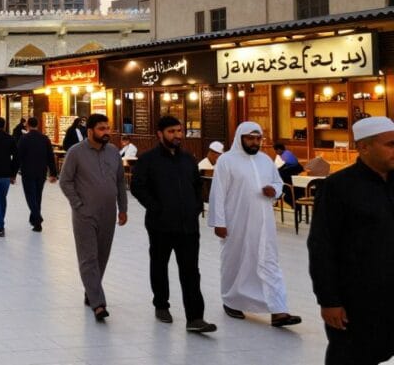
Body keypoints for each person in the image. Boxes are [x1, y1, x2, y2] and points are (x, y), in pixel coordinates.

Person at [308, 116, 394, 365]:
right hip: (357, 300)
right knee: (352, 355)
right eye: (389, 144)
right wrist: (329, 300)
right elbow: (321, 246)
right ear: (364, 147)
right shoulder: (338, 187)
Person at [208, 121, 301, 327]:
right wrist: (218, 222)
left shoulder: (266, 160)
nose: (254, 142)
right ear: (240, 138)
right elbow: (218, 192)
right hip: (236, 222)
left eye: (258, 138)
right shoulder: (226, 161)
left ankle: (278, 310)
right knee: (236, 261)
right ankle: (231, 300)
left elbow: (278, 183)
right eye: (250, 138)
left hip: (264, 223)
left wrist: (274, 191)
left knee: (269, 262)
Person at [130, 116, 217, 333]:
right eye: (172, 131)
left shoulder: (188, 159)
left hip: (188, 226)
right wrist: (156, 207)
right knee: (159, 265)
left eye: (179, 131)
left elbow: (197, 186)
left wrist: (196, 208)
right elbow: (137, 187)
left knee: (190, 270)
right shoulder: (148, 159)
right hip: (160, 225)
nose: (177, 135)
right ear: (160, 134)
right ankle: (161, 304)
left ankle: (195, 317)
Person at [59, 113, 128, 321]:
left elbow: (119, 183)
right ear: (90, 131)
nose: (106, 132)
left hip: (108, 213)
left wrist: (122, 208)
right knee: (88, 257)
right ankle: (98, 304)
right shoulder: (76, 152)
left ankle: (91, 291)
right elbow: (65, 181)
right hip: (85, 215)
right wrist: (78, 205)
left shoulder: (114, 152)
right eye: (101, 129)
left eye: (107, 128)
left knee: (101, 256)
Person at [17, 116, 57, 232]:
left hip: (27, 171)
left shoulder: (24, 139)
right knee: (37, 196)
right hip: (41, 172)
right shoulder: (45, 138)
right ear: (38, 125)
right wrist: (53, 173)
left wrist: (13, 172)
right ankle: (35, 222)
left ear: (27, 125)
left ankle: (37, 218)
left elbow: (18, 156)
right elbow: (50, 156)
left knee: (30, 196)